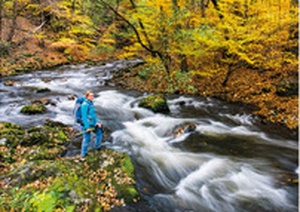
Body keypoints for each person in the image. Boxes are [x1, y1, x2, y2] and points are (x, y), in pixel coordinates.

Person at [81, 90, 103, 158]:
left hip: (93, 123)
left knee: (99, 133)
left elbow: (93, 115)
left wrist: (97, 122)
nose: (92, 97)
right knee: (87, 139)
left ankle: (97, 147)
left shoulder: (91, 103)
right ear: (87, 96)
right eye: (90, 96)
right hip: (87, 124)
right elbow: (84, 117)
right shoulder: (84, 105)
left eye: (93, 95)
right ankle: (83, 155)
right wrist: (87, 127)